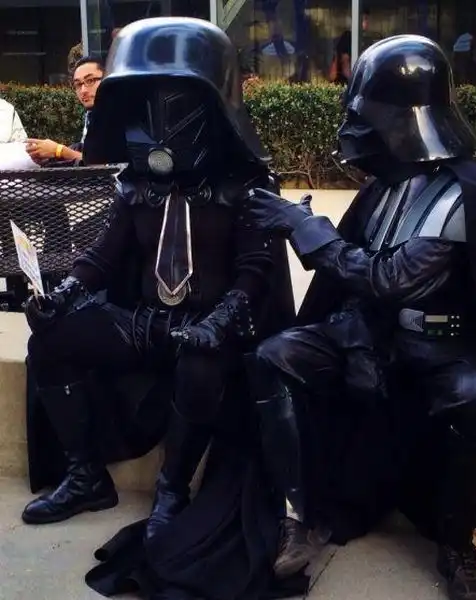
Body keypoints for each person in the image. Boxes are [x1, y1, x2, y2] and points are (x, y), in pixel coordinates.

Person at [243, 35, 476, 600]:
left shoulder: (469, 194)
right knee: (274, 357)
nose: (353, 132)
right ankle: (295, 515)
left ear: (400, 121)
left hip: (448, 347)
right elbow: (359, 286)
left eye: (366, 118)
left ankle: (456, 544)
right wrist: (355, 340)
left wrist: (304, 228)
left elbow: (390, 278)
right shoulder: (383, 189)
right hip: (376, 334)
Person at [21, 17, 293, 541]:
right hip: (144, 323)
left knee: (202, 365)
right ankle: (85, 475)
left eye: (175, 106)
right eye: (145, 107)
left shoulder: (244, 187)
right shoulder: (136, 185)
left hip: (209, 327)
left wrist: (218, 323)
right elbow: (103, 256)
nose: (158, 127)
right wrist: (65, 294)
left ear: (212, 107)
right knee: (50, 341)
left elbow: (255, 272)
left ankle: (172, 489)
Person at [25, 56, 104, 166]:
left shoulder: (122, 115)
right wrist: (51, 157)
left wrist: (59, 150)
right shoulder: (92, 115)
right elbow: (89, 158)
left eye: (90, 81)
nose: (83, 90)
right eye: (78, 84)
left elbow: (108, 165)